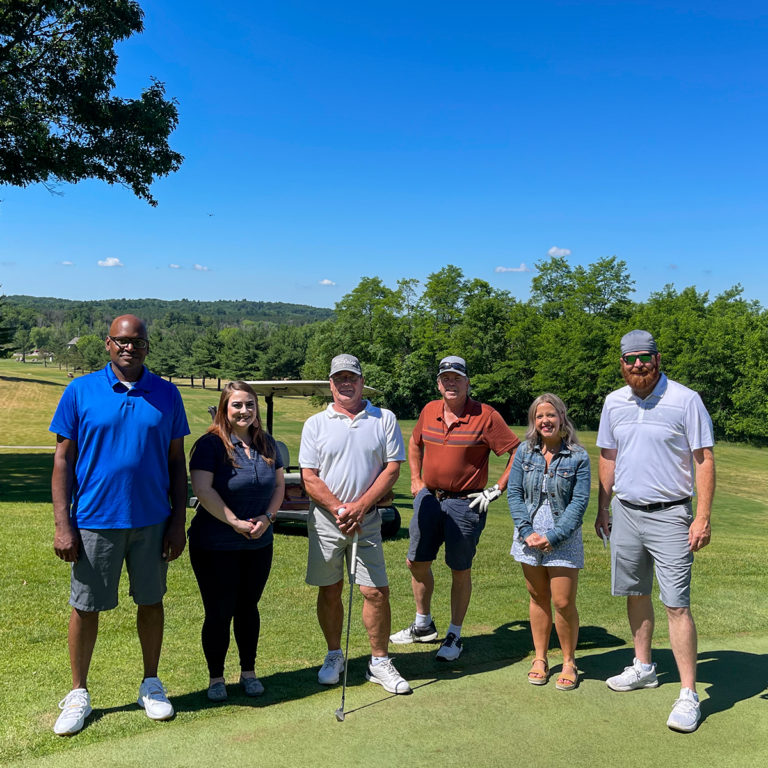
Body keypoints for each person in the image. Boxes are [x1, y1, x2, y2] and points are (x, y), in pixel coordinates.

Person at [50, 315, 189, 736]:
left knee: (151, 601)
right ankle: (78, 692)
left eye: (138, 342)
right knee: (85, 606)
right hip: (95, 520)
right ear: (108, 344)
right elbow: (62, 461)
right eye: (122, 341)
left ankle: (151, 684)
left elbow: (176, 464)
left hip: (152, 520)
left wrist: (178, 522)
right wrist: (63, 525)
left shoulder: (167, 394)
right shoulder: (80, 391)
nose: (130, 348)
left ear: (147, 346)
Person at [595, 330, 715, 733]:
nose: (638, 365)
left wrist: (702, 516)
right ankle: (644, 666)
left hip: (671, 515)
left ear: (657, 359)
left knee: (676, 603)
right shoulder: (614, 402)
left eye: (645, 357)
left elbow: (703, 459)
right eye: (630, 359)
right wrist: (603, 507)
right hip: (625, 511)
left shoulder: (686, 399)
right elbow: (608, 456)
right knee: (635, 592)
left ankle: (688, 693)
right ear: (622, 363)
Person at [391, 355, 520, 661]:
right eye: (445, 379)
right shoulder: (429, 410)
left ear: (467, 383)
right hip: (428, 498)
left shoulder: (486, 415)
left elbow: (517, 451)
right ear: (439, 384)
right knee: (416, 562)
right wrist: (416, 478)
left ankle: (455, 634)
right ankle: (423, 624)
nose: (451, 383)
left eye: (457, 379)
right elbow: (415, 443)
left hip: (466, 503)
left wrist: (497, 488)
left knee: (459, 568)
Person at [299, 354, 411, 695]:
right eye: (339, 378)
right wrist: (339, 509)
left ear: (362, 381)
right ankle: (334, 654)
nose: (345, 383)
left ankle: (379, 661)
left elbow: (392, 469)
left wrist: (360, 507)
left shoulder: (384, 418)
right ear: (331, 384)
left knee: (375, 591)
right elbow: (309, 476)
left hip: (368, 520)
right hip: (326, 520)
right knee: (330, 589)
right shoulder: (315, 423)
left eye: (351, 377)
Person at [189, 382, 285, 701]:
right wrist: (234, 521)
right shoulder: (210, 445)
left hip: (258, 543)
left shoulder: (267, 444)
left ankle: (248, 672)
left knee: (248, 608)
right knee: (219, 611)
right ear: (224, 409)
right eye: (237, 405)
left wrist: (267, 518)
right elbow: (203, 489)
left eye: (250, 405)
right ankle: (216, 678)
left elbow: (279, 487)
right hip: (215, 545)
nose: (244, 411)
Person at [507, 394, 590, 690]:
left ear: (561, 418)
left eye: (551, 415)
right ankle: (540, 658)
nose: (545, 421)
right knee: (537, 597)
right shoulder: (524, 452)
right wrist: (526, 530)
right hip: (528, 536)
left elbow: (579, 502)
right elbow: (514, 493)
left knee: (563, 602)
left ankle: (569, 661)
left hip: (563, 537)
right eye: (539, 416)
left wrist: (553, 537)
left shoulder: (578, 456)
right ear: (534, 421)